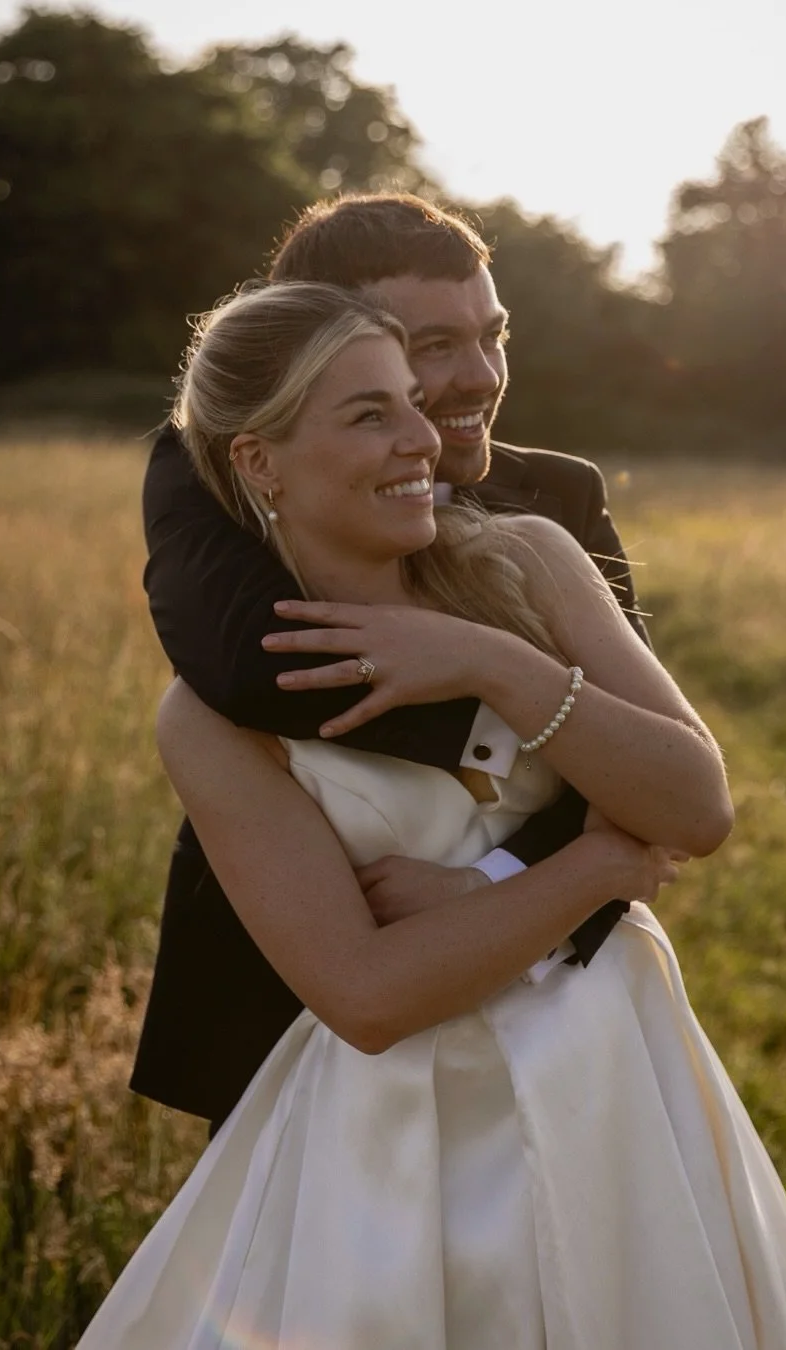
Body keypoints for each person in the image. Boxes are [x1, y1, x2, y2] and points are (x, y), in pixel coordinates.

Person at [80, 279, 786, 1349]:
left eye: (410, 400)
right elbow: (367, 994)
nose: (421, 438)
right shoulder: (209, 721)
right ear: (259, 461)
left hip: (618, 1078)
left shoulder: (528, 561)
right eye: (368, 414)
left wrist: (491, 661)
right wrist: (593, 870)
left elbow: (699, 804)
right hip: (397, 1139)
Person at [132, 194, 653, 1133]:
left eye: (493, 335)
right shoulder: (212, 471)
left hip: (563, 1013)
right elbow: (250, 664)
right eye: (431, 347)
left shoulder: (556, 501)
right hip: (295, 1020)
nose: (481, 377)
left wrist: (504, 879)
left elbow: (637, 751)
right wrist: (511, 711)